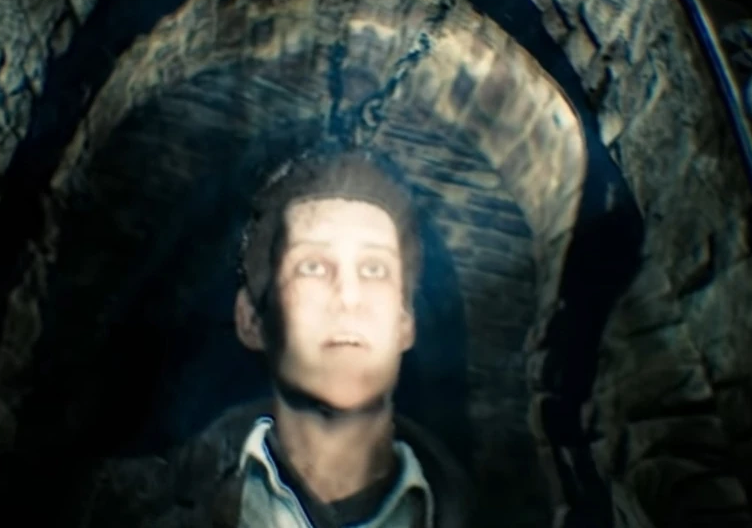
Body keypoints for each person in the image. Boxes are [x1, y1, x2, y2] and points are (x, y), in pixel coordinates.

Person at [86, 147, 471, 528]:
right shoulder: (122, 512)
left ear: (406, 322)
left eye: (374, 269)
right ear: (252, 318)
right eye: (313, 266)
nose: (349, 298)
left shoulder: (492, 513)